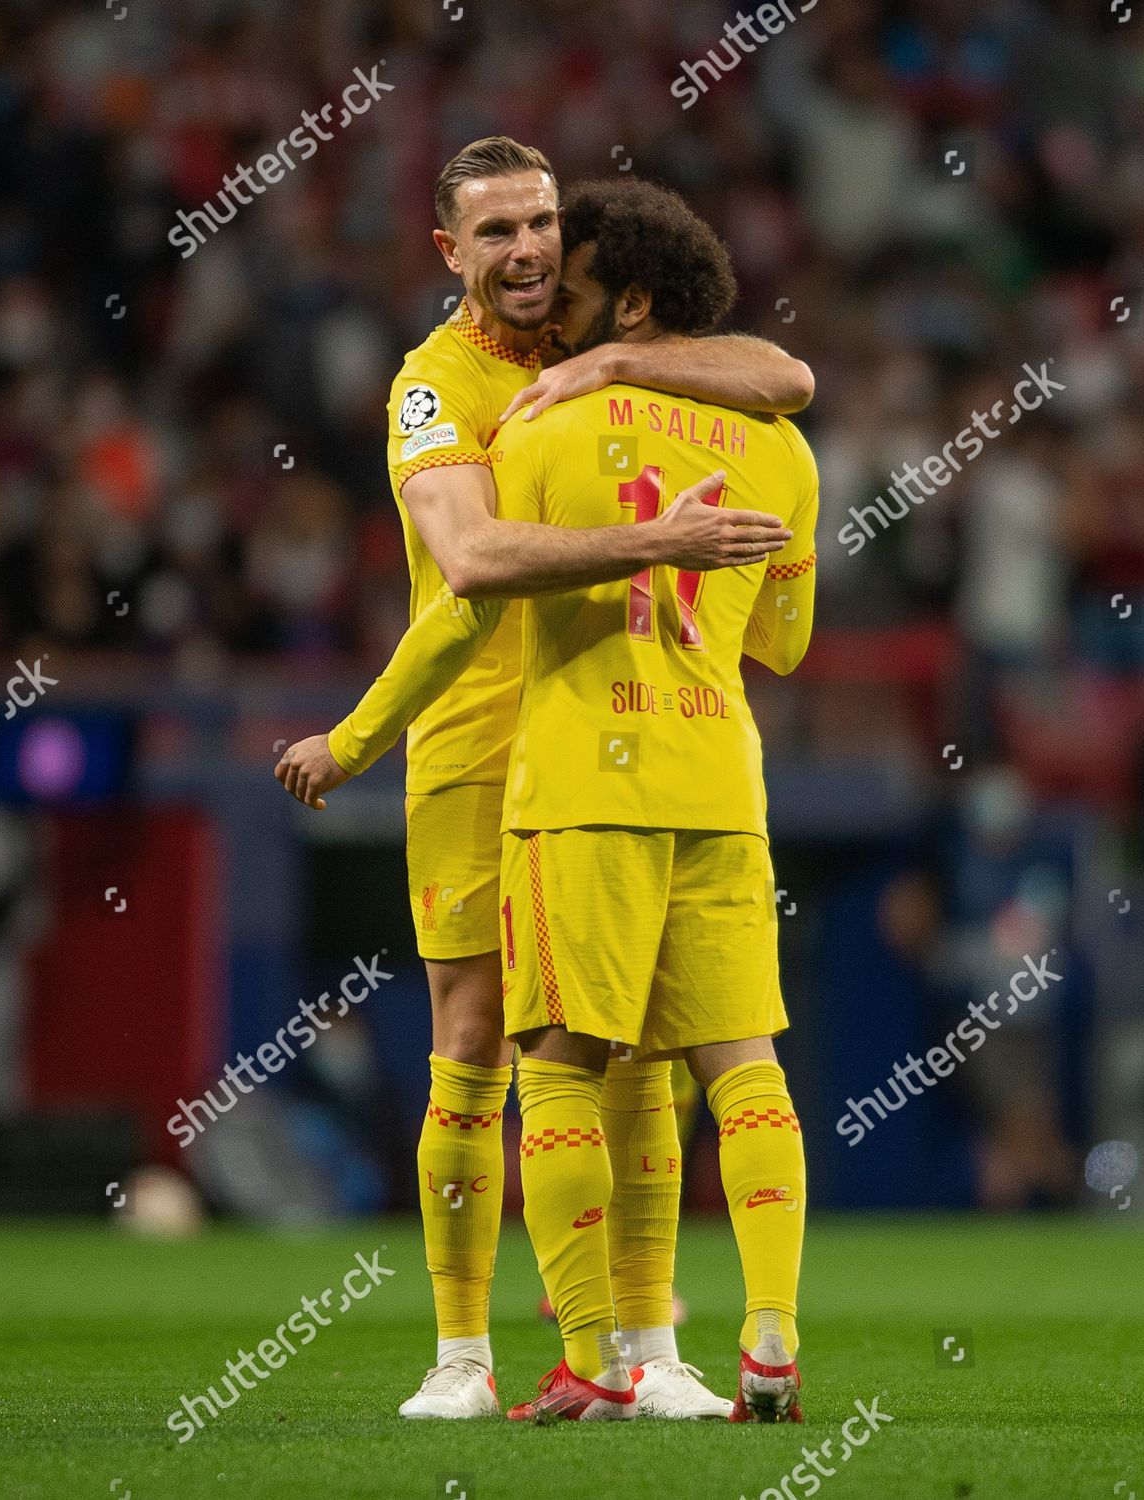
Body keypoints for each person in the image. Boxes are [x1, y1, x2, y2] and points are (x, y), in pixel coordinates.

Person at [277, 137, 813, 1420]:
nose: (525, 250)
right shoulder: (435, 382)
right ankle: (464, 1354)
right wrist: (663, 538)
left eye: (541, 224)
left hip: (608, 733)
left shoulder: (596, 359)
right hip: (478, 743)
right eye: (497, 231)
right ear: (447, 252)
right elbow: (466, 560)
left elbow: (788, 373)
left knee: (629, 1053)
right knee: (475, 1041)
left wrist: (623, 357)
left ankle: (642, 1349)